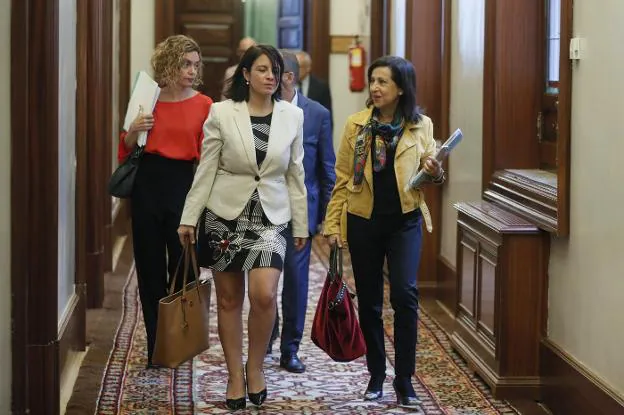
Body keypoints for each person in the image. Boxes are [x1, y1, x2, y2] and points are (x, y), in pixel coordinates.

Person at [177, 44, 308, 410]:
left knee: (264, 294)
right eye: (263, 70)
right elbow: (206, 169)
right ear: (246, 75)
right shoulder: (221, 113)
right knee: (231, 299)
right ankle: (236, 374)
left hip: (271, 214)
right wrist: (190, 217)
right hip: (225, 214)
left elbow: (296, 173)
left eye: (275, 70)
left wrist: (302, 222)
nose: (270, 76)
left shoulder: (292, 116)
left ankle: (256, 365)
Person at [322, 55, 445, 409]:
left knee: (405, 295)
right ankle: (376, 374)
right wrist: (333, 226)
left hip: (405, 221)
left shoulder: (421, 126)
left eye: (383, 82)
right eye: (372, 81)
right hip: (364, 221)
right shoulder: (356, 125)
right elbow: (342, 179)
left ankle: (404, 380)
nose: (374, 88)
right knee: (371, 301)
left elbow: (434, 176)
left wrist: (433, 169)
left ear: (400, 89)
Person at [117, 35, 213, 369]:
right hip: (147, 184)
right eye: (185, 63)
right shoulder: (147, 97)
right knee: (149, 267)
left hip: (185, 185)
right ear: (169, 63)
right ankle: (158, 345)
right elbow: (125, 148)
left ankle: (181, 340)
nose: (191, 71)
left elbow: (208, 157)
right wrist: (133, 130)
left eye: (195, 65)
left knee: (185, 265)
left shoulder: (204, 104)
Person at [267, 51, 336, 373]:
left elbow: (326, 168)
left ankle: (290, 348)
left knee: (295, 283)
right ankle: (269, 329)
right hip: (264, 209)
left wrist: (326, 218)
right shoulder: (259, 111)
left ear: (289, 78)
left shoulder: (317, 114)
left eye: (273, 73)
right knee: (264, 282)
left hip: (300, 215)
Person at [296, 50, 333, 125]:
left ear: (308, 68)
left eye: (299, 67)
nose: (295, 70)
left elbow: (327, 117)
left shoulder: (321, 87)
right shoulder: (285, 85)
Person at [221, 36, 256, 100]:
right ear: (238, 52)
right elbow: (224, 98)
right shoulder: (231, 72)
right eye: (243, 51)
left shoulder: (262, 72)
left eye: (249, 51)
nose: (245, 54)